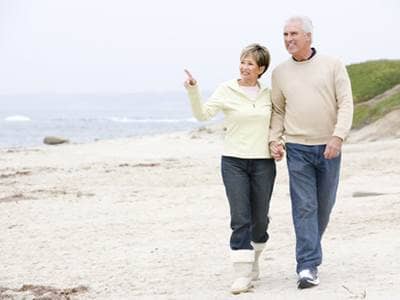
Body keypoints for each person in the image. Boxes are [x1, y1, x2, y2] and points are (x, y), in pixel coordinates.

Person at [269, 16, 354, 289]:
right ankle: (307, 266)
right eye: (285, 34)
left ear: (308, 37)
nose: (288, 39)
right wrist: (275, 139)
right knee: (304, 207)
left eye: (294, 33)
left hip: (329, 146)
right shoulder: (280, 72)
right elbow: (278, 110)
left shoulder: (333, 65)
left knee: (323, 207)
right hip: (297, 148)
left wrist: (338, 136)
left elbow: (346, 104)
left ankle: (310, 252)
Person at [184, 44, 276, 294]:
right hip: (233, 161)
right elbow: (203, 115)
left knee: (260, 220)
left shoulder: (269, 93)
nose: (244, 67)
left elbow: (277, 123)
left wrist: (278, 143)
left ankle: (254, 263)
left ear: (261, 69)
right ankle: (242, 274)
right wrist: (193, 91)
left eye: (250, 64)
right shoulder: (227, 89)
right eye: (242, 62)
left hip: (263, 162)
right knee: (240, 217)